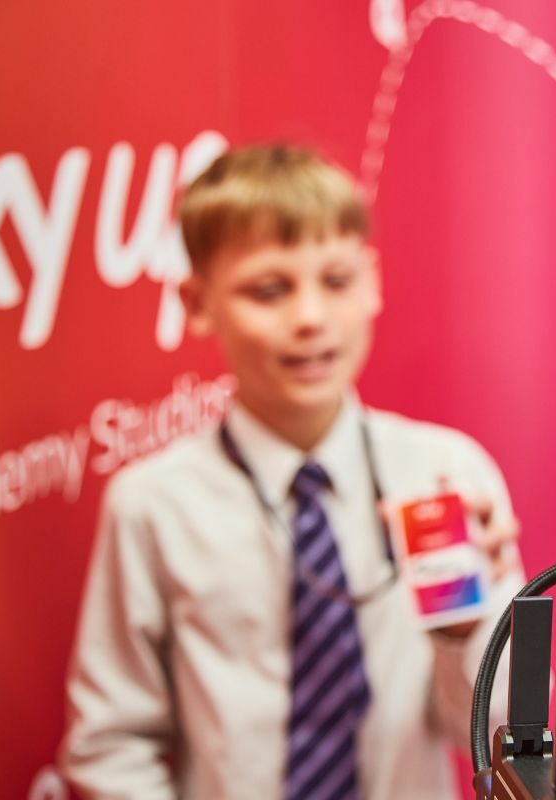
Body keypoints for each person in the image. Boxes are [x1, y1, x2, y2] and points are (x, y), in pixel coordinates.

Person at [59, 144, 522, 799]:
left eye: (336, 281)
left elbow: (496, 733)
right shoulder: (154, 504)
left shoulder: (443, 475)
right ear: (196, 302)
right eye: (269, 290)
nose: (309, 318)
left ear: (372, 282)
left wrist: (466, 631)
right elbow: (112, 745)